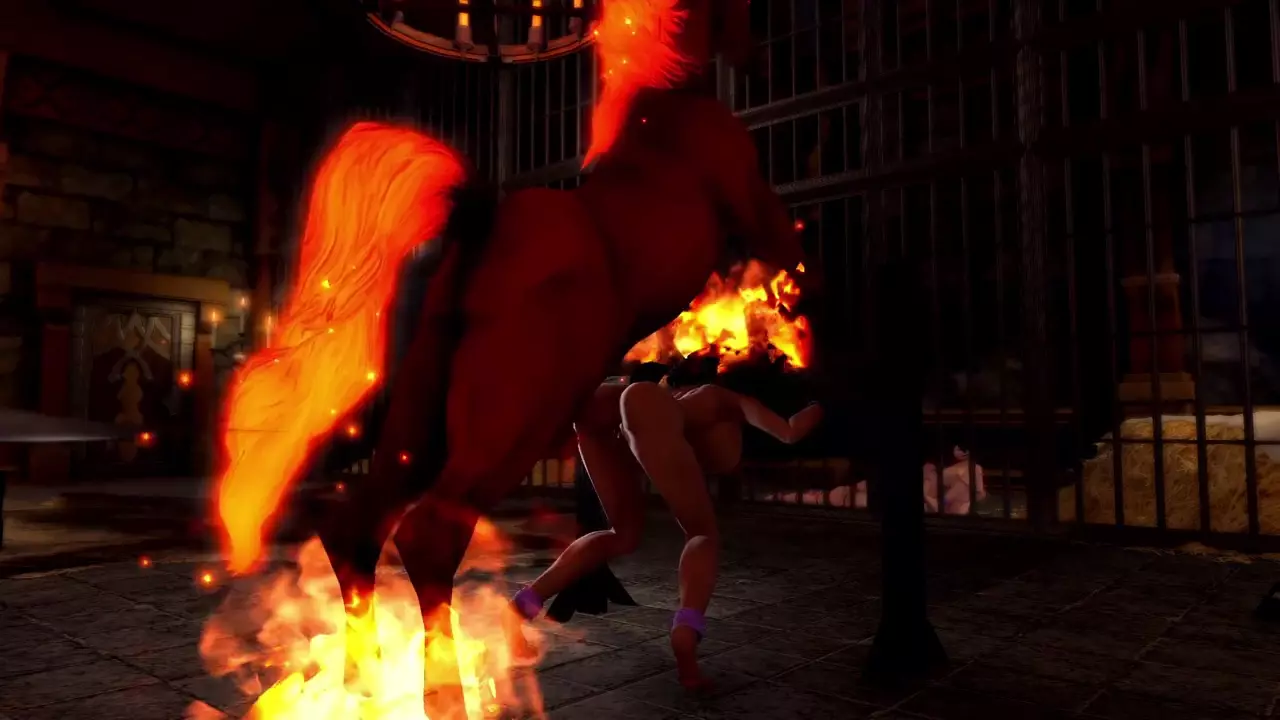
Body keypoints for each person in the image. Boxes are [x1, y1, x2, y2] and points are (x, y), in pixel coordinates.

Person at [508, 356, 823, 689]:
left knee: (621, 535)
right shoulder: (727, 398)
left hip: (603, 406)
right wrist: (819, 405)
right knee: (702, 534)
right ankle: (686, 632)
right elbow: (789, 432)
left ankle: (519, 608)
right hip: (641, 407)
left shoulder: (681, 396)